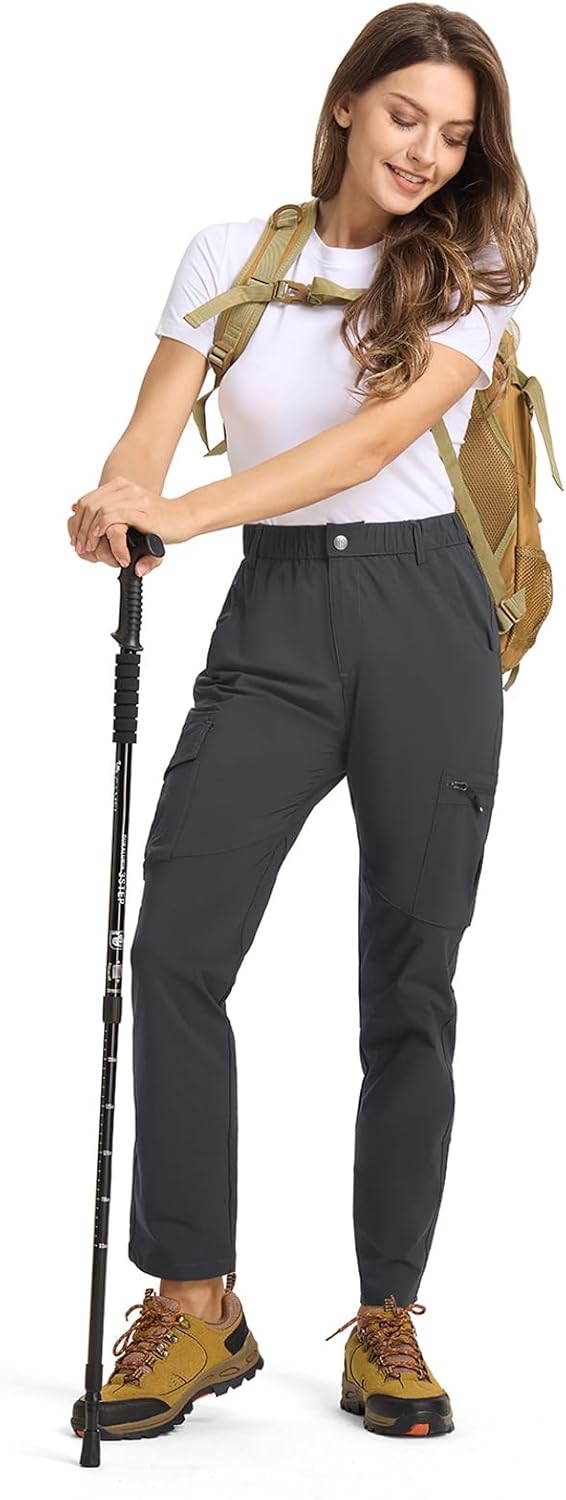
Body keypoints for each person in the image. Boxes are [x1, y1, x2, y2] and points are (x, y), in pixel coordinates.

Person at [68, 3, 534, 1443]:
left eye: (454, 134)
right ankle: (195, 1305)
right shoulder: (231, 255)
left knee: (409, 977)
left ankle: (387, 1315)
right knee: (177, 949)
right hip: (274, 622)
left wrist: (186, 512)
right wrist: (121, 497)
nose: (426, 151)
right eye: (404, 116)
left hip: (425, 616)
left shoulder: (473, 268)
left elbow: (372, 442)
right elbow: (153, 424)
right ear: (346, 105)